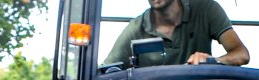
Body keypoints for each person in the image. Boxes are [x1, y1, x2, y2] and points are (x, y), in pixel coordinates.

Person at [104, 0, 250, 68]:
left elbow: (241, 54)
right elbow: (108, 71)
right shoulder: (136, 29)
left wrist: (212, 62)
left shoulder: (206, 9)